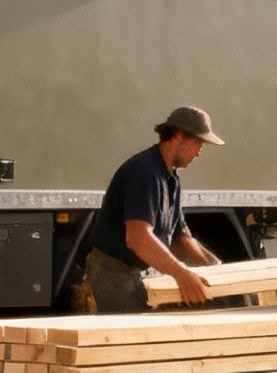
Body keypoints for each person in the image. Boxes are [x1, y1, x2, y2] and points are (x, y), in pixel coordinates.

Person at [81, 106, 225, 312]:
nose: (200, 151)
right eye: (198, 142)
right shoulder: (145, 172)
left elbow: (182, 238)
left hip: (136, 271)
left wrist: (216, 267)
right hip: (113, 273)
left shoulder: (171, 177)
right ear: (177, 136)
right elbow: (138, 238)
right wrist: (183, 275)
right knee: (133, 338)